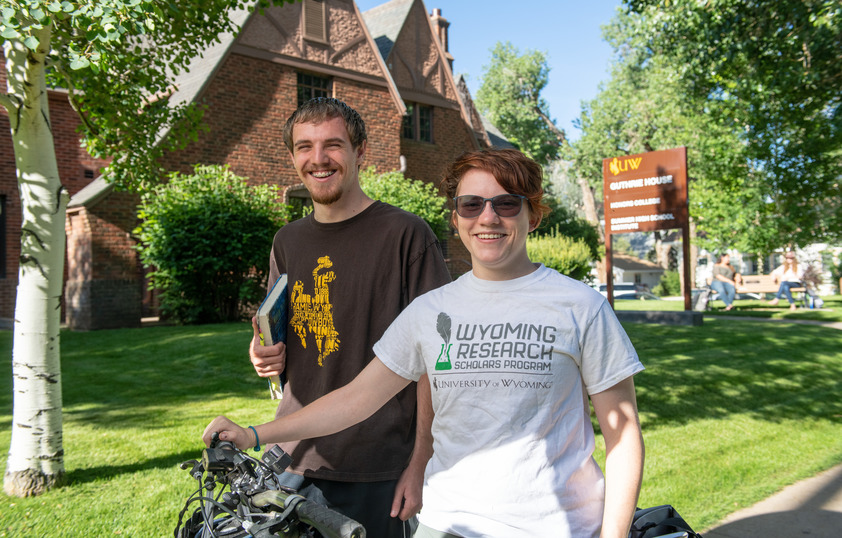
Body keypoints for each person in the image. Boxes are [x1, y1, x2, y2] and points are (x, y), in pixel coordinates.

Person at [210, 148, 645, 538]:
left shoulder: (580, 306)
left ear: (533, 214)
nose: (488, 217)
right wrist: (252, 434)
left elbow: (623, 436)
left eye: (506, 203)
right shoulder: (430, 310)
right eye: (471, 205)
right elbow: (355, 399)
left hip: (554, 525)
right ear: (456, 220)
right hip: (447, 521)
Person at [247, 97, 452, 537]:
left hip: (375, 466)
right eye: (304, 147)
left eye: (332, 145)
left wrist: (420, 462)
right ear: (293, 156)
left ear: (360, 152)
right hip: (291, 455)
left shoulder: (406, 236)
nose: (317, 159)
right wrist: (263, 352)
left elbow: (437, 365)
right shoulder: (287, 241)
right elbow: (280, 328)